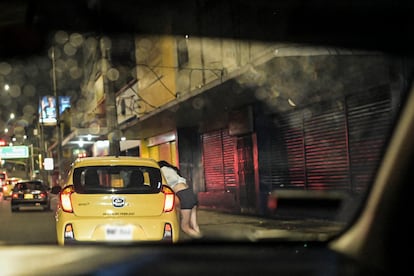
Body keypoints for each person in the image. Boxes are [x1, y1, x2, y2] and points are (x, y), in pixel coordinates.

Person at [158, 160, 202, 238]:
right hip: (190, 193)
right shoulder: (172, 170)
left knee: (185, 227)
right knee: (195, 226)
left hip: (184, 196)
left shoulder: (162, 170)